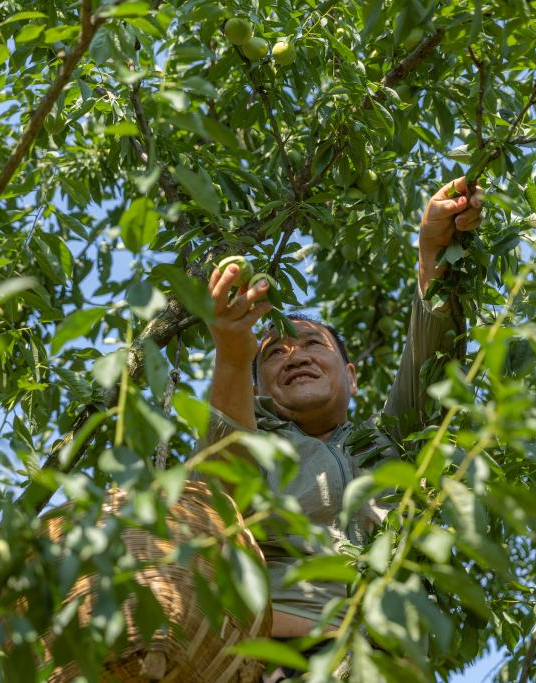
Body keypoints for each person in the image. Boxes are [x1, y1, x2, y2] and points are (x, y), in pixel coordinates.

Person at [202, 176, 484, 667]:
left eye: (314, 344)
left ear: (350, 377)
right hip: (280, 658)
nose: (295, 355)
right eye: (273, 353)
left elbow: (433, 356)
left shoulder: (392, 440)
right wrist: (231, 354)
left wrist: (433, 250)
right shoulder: (256, 442)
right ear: (258, 390)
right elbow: (217, 490)